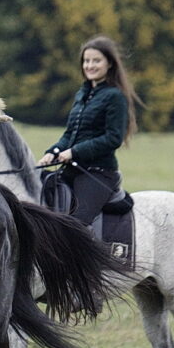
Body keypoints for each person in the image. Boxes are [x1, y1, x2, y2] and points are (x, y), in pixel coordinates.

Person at [37, 35, 143, 226]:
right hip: (72, 170)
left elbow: (113, 138)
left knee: (77, 223)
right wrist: (52, 152)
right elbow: (70, 134)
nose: (90, 66)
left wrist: (74, 152)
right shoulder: (82, 94)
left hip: (98, 173)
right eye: (86, 61)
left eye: (96, 61)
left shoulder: (115, 97)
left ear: (109, 63)